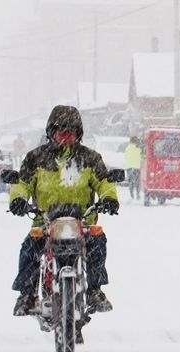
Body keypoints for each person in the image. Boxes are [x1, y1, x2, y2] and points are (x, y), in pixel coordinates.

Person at [10, 105, 119, 316]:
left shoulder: (91, 158)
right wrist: (18, 200)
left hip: (82, 223)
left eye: (72, 131)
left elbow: (104, 183)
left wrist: (109, 199)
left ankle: (95, 290)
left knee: (97, 240)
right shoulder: (36, 158)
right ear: (51, 132)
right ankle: (27, 294)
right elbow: (22, 184)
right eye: (62, 130)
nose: (66, 135)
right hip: (45, 222)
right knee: (30, 247)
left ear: (79, 134)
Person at [124, 136, 142, 200]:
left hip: (129, 167)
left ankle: (132, 195)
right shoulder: (139, 148)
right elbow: (141, 157)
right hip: (137, 167)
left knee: (131, 182)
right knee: (137, 182)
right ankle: (138, 195)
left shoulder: (127, 148)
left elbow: (126, 157)